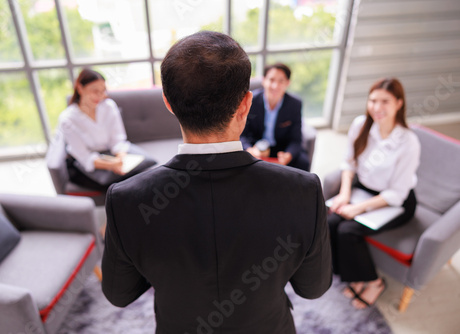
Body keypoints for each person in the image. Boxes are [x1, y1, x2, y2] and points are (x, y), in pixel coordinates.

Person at [101, 31, 332, 333]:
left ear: (168, 103)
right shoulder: (304, 191)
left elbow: (119, 294)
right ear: (246, 105)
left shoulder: (126, 200)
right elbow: (312, 288)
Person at [328, 78, 420, 309]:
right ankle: (353, 277)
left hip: (394, 201)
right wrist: (344, 194)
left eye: (385, 102)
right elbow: (348, 163)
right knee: (330, 222)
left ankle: (374, 281)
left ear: (399, 103)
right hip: (363, 190)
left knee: (348, 230)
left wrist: (357, 208)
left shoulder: (408, 142)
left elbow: (397, 194)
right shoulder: (360, 125)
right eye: (373, 100)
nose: (377, 107)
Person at [57, 68, 155, 191]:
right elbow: (84, 157)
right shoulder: (67, 119)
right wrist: (111, 165)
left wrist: (120, 157)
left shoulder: (109, 106)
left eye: (103, 91)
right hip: (91, 161)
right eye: (95, 91)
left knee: (148, 164)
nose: (100, 96)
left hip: (113, 154)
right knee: (119, 184)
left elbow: (118, 140)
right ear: (80, 88)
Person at [240, 63, 310, 171]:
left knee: (303, 162)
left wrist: (288, 155)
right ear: (263, 80)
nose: (275, 86)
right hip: (255, 147)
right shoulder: (250, 101)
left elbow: (296, 139)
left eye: (281, 81)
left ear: (288, 83)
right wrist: (249, 150)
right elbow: (241, 134)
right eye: (271, 80)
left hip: (281, 149)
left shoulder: (295, 104)